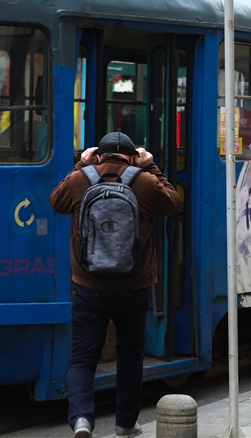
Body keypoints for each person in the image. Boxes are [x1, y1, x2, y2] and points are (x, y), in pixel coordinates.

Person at [50, 132, 181, 438]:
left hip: (88, 284)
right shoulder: (145, 182)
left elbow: (56, 202)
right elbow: (174, 203)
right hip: (133, 285)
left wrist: (79, 165)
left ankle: (82, 420)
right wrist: (152, 167)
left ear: (98, 157)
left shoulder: (81, 179)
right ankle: (125, 423)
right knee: (131, 354)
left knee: (82, 357)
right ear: (133, 157)